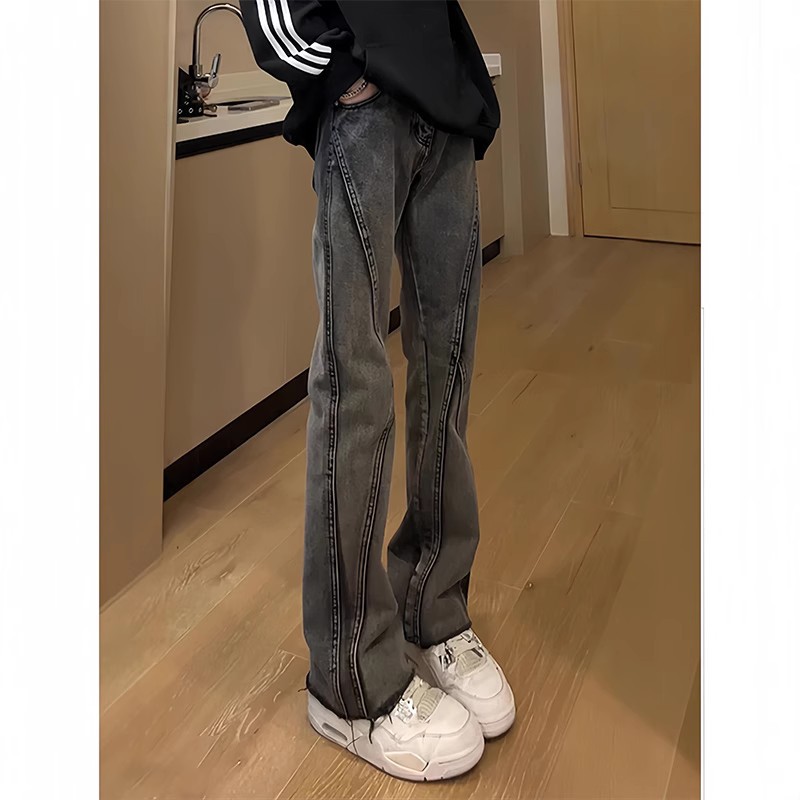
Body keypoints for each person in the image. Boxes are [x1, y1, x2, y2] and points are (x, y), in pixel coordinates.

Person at [240, 0, 515, 781]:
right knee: (355, 387)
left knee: (446, 372)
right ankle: (349, 680)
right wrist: (337, 71)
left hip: (445, 105)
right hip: (363, 106)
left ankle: (432, 608)